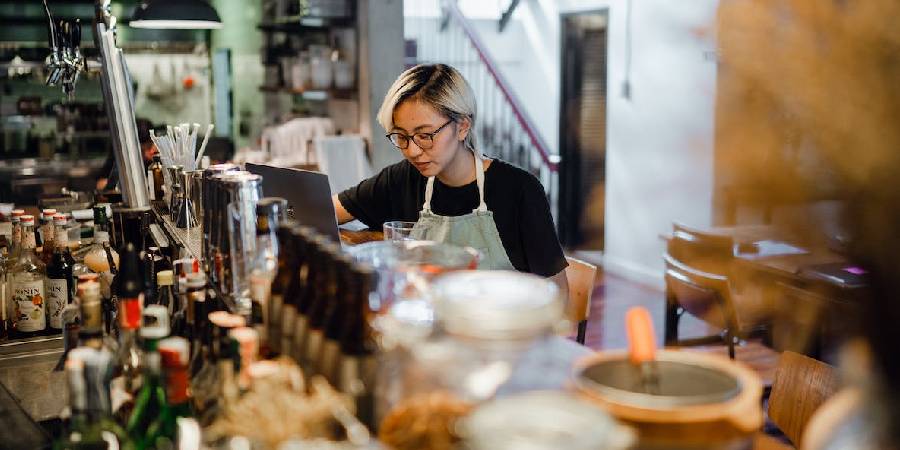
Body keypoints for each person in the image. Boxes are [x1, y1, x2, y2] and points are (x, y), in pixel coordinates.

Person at [333, 64, 569, 294]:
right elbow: (323, 210)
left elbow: (558, 297)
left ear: (463, 126)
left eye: (425, 135)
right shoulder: (403, 178)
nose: (412, 150)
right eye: (401, 136)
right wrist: (292, 213)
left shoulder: (519, 190)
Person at [96, 118, 157, 190]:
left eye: (150, 147)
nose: (147, 153)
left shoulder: (158, 158)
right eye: (142, 151)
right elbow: (100, 184)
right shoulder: (121, 155)